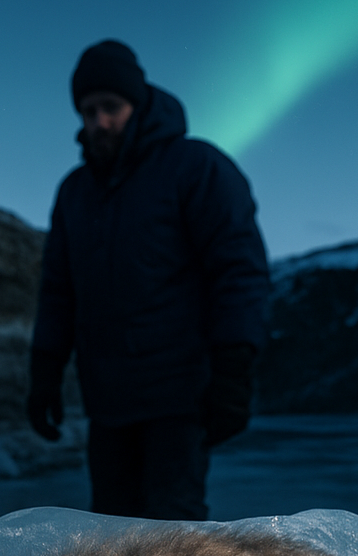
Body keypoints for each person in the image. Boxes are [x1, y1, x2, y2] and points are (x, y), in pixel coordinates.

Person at [27, 40, 271, 521]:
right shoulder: (75, 193)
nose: (99, 121)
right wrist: (44, 375)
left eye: (110, 107)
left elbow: (238, 269)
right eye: (88, 110)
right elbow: (58, 290)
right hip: (108, 401)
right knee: (109, 535)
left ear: (137, 104)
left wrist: (233, 370)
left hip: (179, 397)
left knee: (174, 532)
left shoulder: (195, 168)